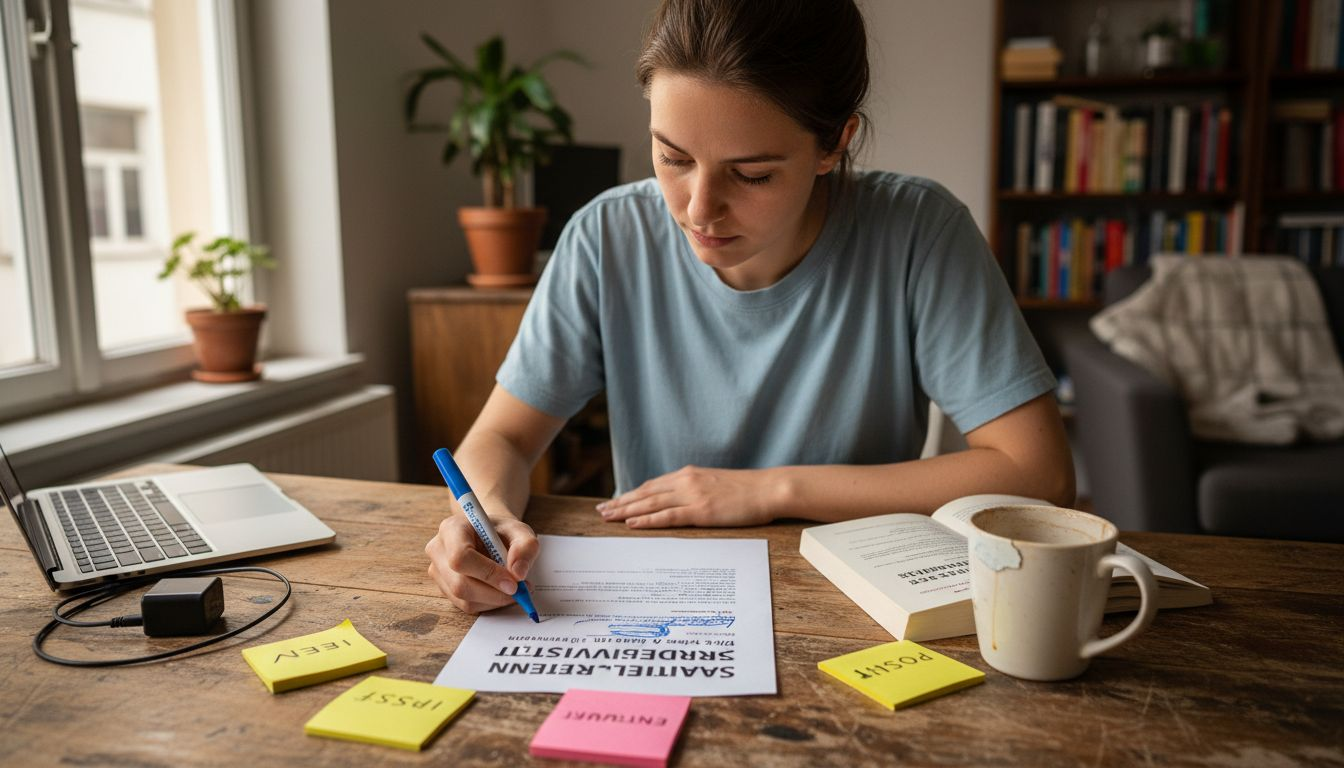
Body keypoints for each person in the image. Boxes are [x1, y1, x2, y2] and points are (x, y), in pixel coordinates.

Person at [425, 0, 1074, 614]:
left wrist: (770, 490)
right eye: (673, 157)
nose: (699, 209)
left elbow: (1039, 473)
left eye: (753, 174)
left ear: (834, 142)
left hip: (855, 599)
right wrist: (487, 517)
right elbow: (503, 437)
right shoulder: (606, 237)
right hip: (655, 598)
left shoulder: (920, 232)